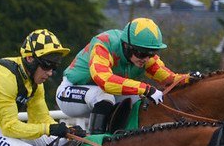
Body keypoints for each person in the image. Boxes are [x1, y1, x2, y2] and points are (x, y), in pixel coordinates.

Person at [55, 17, 190, 134]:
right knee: (104, 96)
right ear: (126, 46)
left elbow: (170, 79)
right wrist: (146, 89)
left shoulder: (145, 58)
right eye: (142, 53)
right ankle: (95, 144)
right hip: (69, 92)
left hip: (102, 98)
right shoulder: (104, 43)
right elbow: (105, 81)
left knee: (138, 101)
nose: (146, 59)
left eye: (151, 53)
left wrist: (191, 78)